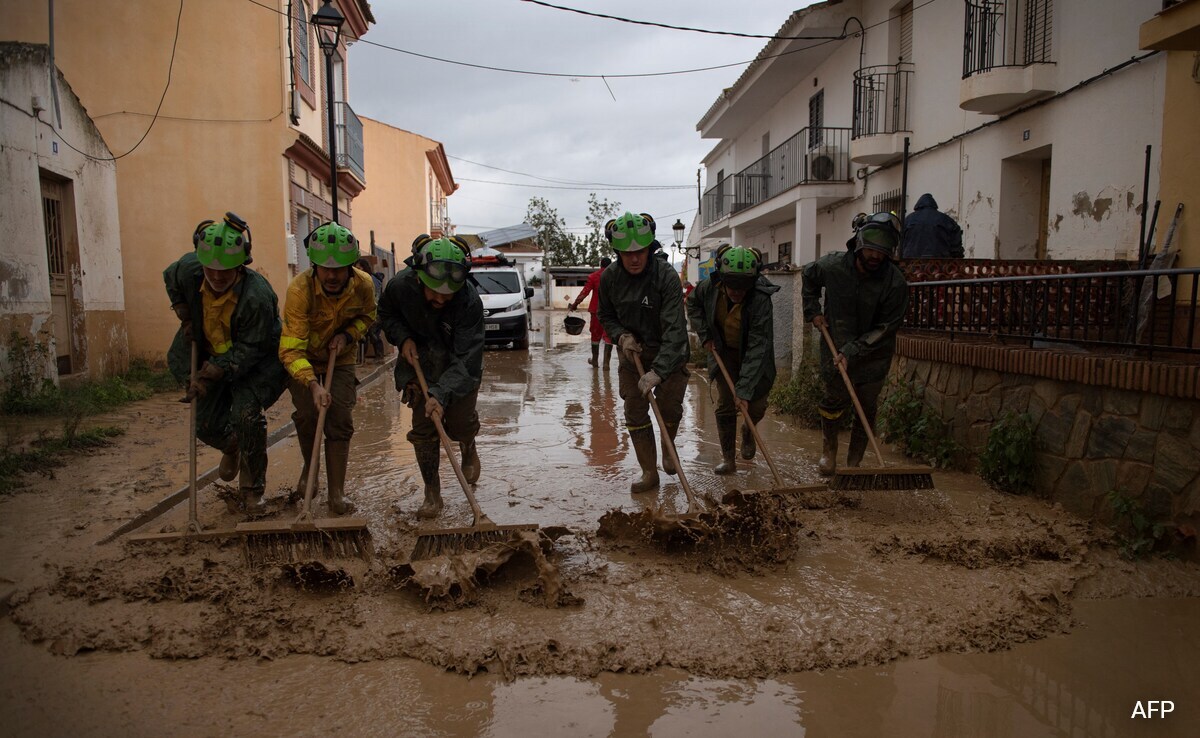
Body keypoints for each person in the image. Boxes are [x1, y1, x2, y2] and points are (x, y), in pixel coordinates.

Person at [163, 212, 288, 515]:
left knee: (247, 417)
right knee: (202, 422)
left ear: (241, 264)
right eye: (211, 270)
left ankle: (252, 491)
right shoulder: (189, 269)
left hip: (258, 360)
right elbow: (171, 275)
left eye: (226, 271)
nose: (217, 277)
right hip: (208, 348)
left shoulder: (257, 296)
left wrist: (216, 371)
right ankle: (232, 446)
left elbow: (251, 348)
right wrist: (184, 311)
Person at [378, 234, 484, 518]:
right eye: (434, 290)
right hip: (419, 362)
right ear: (418, 276)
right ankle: (432, 493)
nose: (440, 298)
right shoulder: (399, 287)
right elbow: (386, 314)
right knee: (424, 430)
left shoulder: (469, 301)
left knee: (459, 423)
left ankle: (468, 443)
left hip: (457, 365)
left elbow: (468, 359)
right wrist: (402, 339)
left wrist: (440, 393)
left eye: (447, 293)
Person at [279, 222, 377, 515]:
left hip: (341, 355)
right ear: (314, 265)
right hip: (303, 358)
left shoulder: (363, 285)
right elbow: (290, 349)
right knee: (308, 415)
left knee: (339, 419)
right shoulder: (299, 290)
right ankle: (311, 471)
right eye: (325, 268)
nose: (332, 275)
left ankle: (337, 493)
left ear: (351, 266)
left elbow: (368, 316)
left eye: (339, 268)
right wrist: (312, 384)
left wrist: (347, 335)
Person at [802, 212, 909, 475]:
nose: (874, 256)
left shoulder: (895, 283)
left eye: (881, 252)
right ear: (859, 242)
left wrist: (852, 351)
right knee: (833, 400)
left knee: (866, 405)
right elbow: (809, 276)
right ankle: (829, 453)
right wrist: (812, 309)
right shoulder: (832, 266)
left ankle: (855, 464)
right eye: (870, 249)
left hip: (874, 353)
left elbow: (886, 328)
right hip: (834, 343)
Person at [597, 212, 690, 495]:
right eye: (627, 253)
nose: (634, 259)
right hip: (632, 353)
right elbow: (606, 314)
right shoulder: (610, 278)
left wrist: (659, 371)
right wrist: (621, 336)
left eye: (640, 252)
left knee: (670, 407)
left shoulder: (666, 276)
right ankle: (649, 472)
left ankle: (668, 449)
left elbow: (676, 330)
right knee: (635, 410)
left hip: (668, 353)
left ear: (650, 249)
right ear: (617, 252)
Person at [686, 245, 779, 474]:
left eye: (743, 286)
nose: (737, 291)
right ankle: (728, 458)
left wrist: (745, 390)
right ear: (722, 277)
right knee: (726, 405)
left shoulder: (760, 299)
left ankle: (748, 430)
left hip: (754, 355)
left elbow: (758, 346)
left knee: (755, 406)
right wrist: (705, 335)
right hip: (723, 351)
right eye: (732, 285)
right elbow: (692, 304)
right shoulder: (709, 287)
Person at [568, 256, 613, 369]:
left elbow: (585, 292)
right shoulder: (615, 277)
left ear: (600, 265)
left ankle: (595, 361)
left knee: (595, 335)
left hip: (596, 311)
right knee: (608, 337)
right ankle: (606, 364)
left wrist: (575, 305)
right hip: (612, 312)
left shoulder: (594, 277)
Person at [901, 193, 963, 258]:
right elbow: (956, 247)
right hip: (940, 264)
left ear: (918, 205)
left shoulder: (908, 220)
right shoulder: (945, 220)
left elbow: (901, 242)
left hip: (911, 264)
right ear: (934, 205)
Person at [356, 257, 386, 360]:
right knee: (363, 335)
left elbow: (374, 298)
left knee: (373, 334)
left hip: (374, 312)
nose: (357, 270)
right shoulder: (360, 279)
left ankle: (379, 356)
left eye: (359, 267)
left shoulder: (370, 280)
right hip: (364, 311)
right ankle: (361, 358)